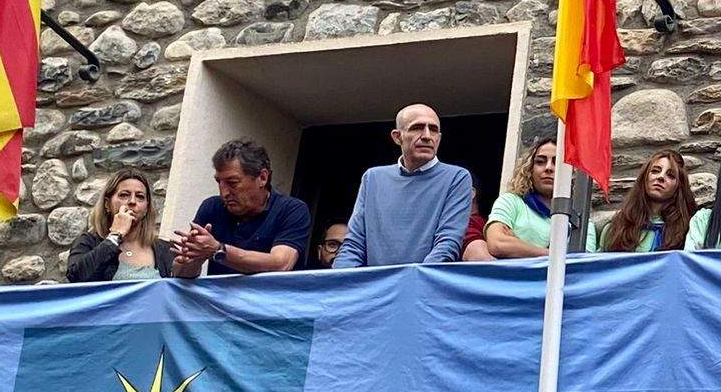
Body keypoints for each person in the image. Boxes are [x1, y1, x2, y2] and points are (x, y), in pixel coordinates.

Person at [332, 104, 474, 268]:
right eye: (417, 128)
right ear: (397, 136)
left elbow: (448, 243)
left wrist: (414, 280)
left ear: (439, 138)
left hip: (423, 282)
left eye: (434, 130)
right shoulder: (373, 178)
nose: (427, 136)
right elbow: (354, 244)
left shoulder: (457, 177)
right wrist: (337, 279)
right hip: (377, 283)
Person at [170, 139, 312, 276]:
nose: (224, 193)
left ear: (262, 178)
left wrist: (219, 250)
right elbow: (180, 274)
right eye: (219, 182)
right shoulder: (211, 208)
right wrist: (192, 259)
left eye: (233, 183)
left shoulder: (291, 210)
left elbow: (282, 264)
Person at [66, 170, 175, 282]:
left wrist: (186, 269)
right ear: (107, 204)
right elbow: (76, 277)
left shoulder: (164, 249)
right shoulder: (89, 242)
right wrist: (115, 236)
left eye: (140, 196)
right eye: (124, 195)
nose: (132, 201)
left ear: (146, 208)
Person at [595, 149, 696, 252]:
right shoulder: (616, 228)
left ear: (678, 186)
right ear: (644, 177)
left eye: (670, 175)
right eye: (655, 171)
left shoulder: (689, 231)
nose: (661, 177)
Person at [485, 139, 559, 259]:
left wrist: (518, 245)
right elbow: (497, 244)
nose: (548, 168)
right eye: (540, 162)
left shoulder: (579, 222)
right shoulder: (510, 202)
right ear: (529, 169)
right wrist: (556, 256)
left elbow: (584, 261)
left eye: (557, 162)